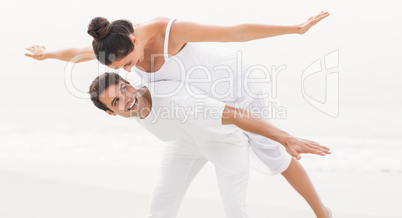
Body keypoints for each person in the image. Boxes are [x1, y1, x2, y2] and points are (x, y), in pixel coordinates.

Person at [89, 72, 332, 218]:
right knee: (161, 204)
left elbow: (237, 114)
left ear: (129, 82)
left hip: (224, 141)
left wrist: (284, 138)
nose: (128, 97)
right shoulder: (134, 108)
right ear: (111, 113)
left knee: (234, 206)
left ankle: (324, 213)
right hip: (185, 142)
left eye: (125, 88)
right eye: (117, 101)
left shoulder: (177, 101)